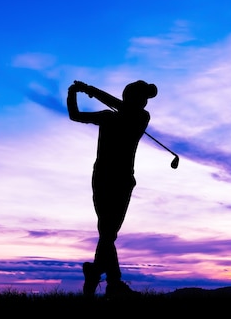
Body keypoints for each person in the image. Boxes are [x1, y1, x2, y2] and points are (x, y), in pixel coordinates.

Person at [67, 79, 158, 298]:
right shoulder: (110, 117)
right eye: (143, 97)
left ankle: (96, 273)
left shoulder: (141, 117)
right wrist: (74, 93)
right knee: (107, 232)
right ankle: (112, 282)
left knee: (107, 233)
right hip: (108, 179)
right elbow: (75, 115)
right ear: (134, 97)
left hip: (121, 180)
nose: (146, 102)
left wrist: (88, 90)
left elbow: (119, 106)